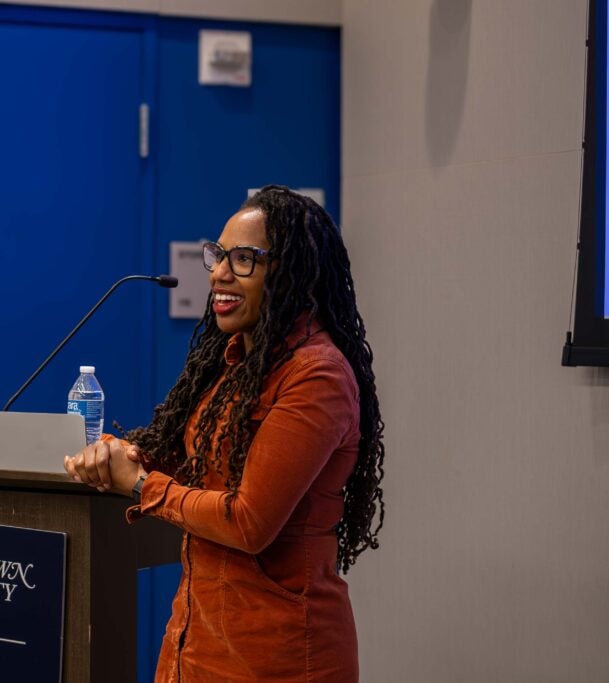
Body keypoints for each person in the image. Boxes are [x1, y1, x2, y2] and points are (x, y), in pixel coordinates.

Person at [63, 185, 385, 682]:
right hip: (196, 645)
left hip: (277, 657)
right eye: (217, 256)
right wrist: (124, 453)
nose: (218, 273)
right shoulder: (233, 362)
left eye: (243, 259)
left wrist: (140, 484)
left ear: (292, 271)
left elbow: (248, 522)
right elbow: (199, 469)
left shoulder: (318, 375)